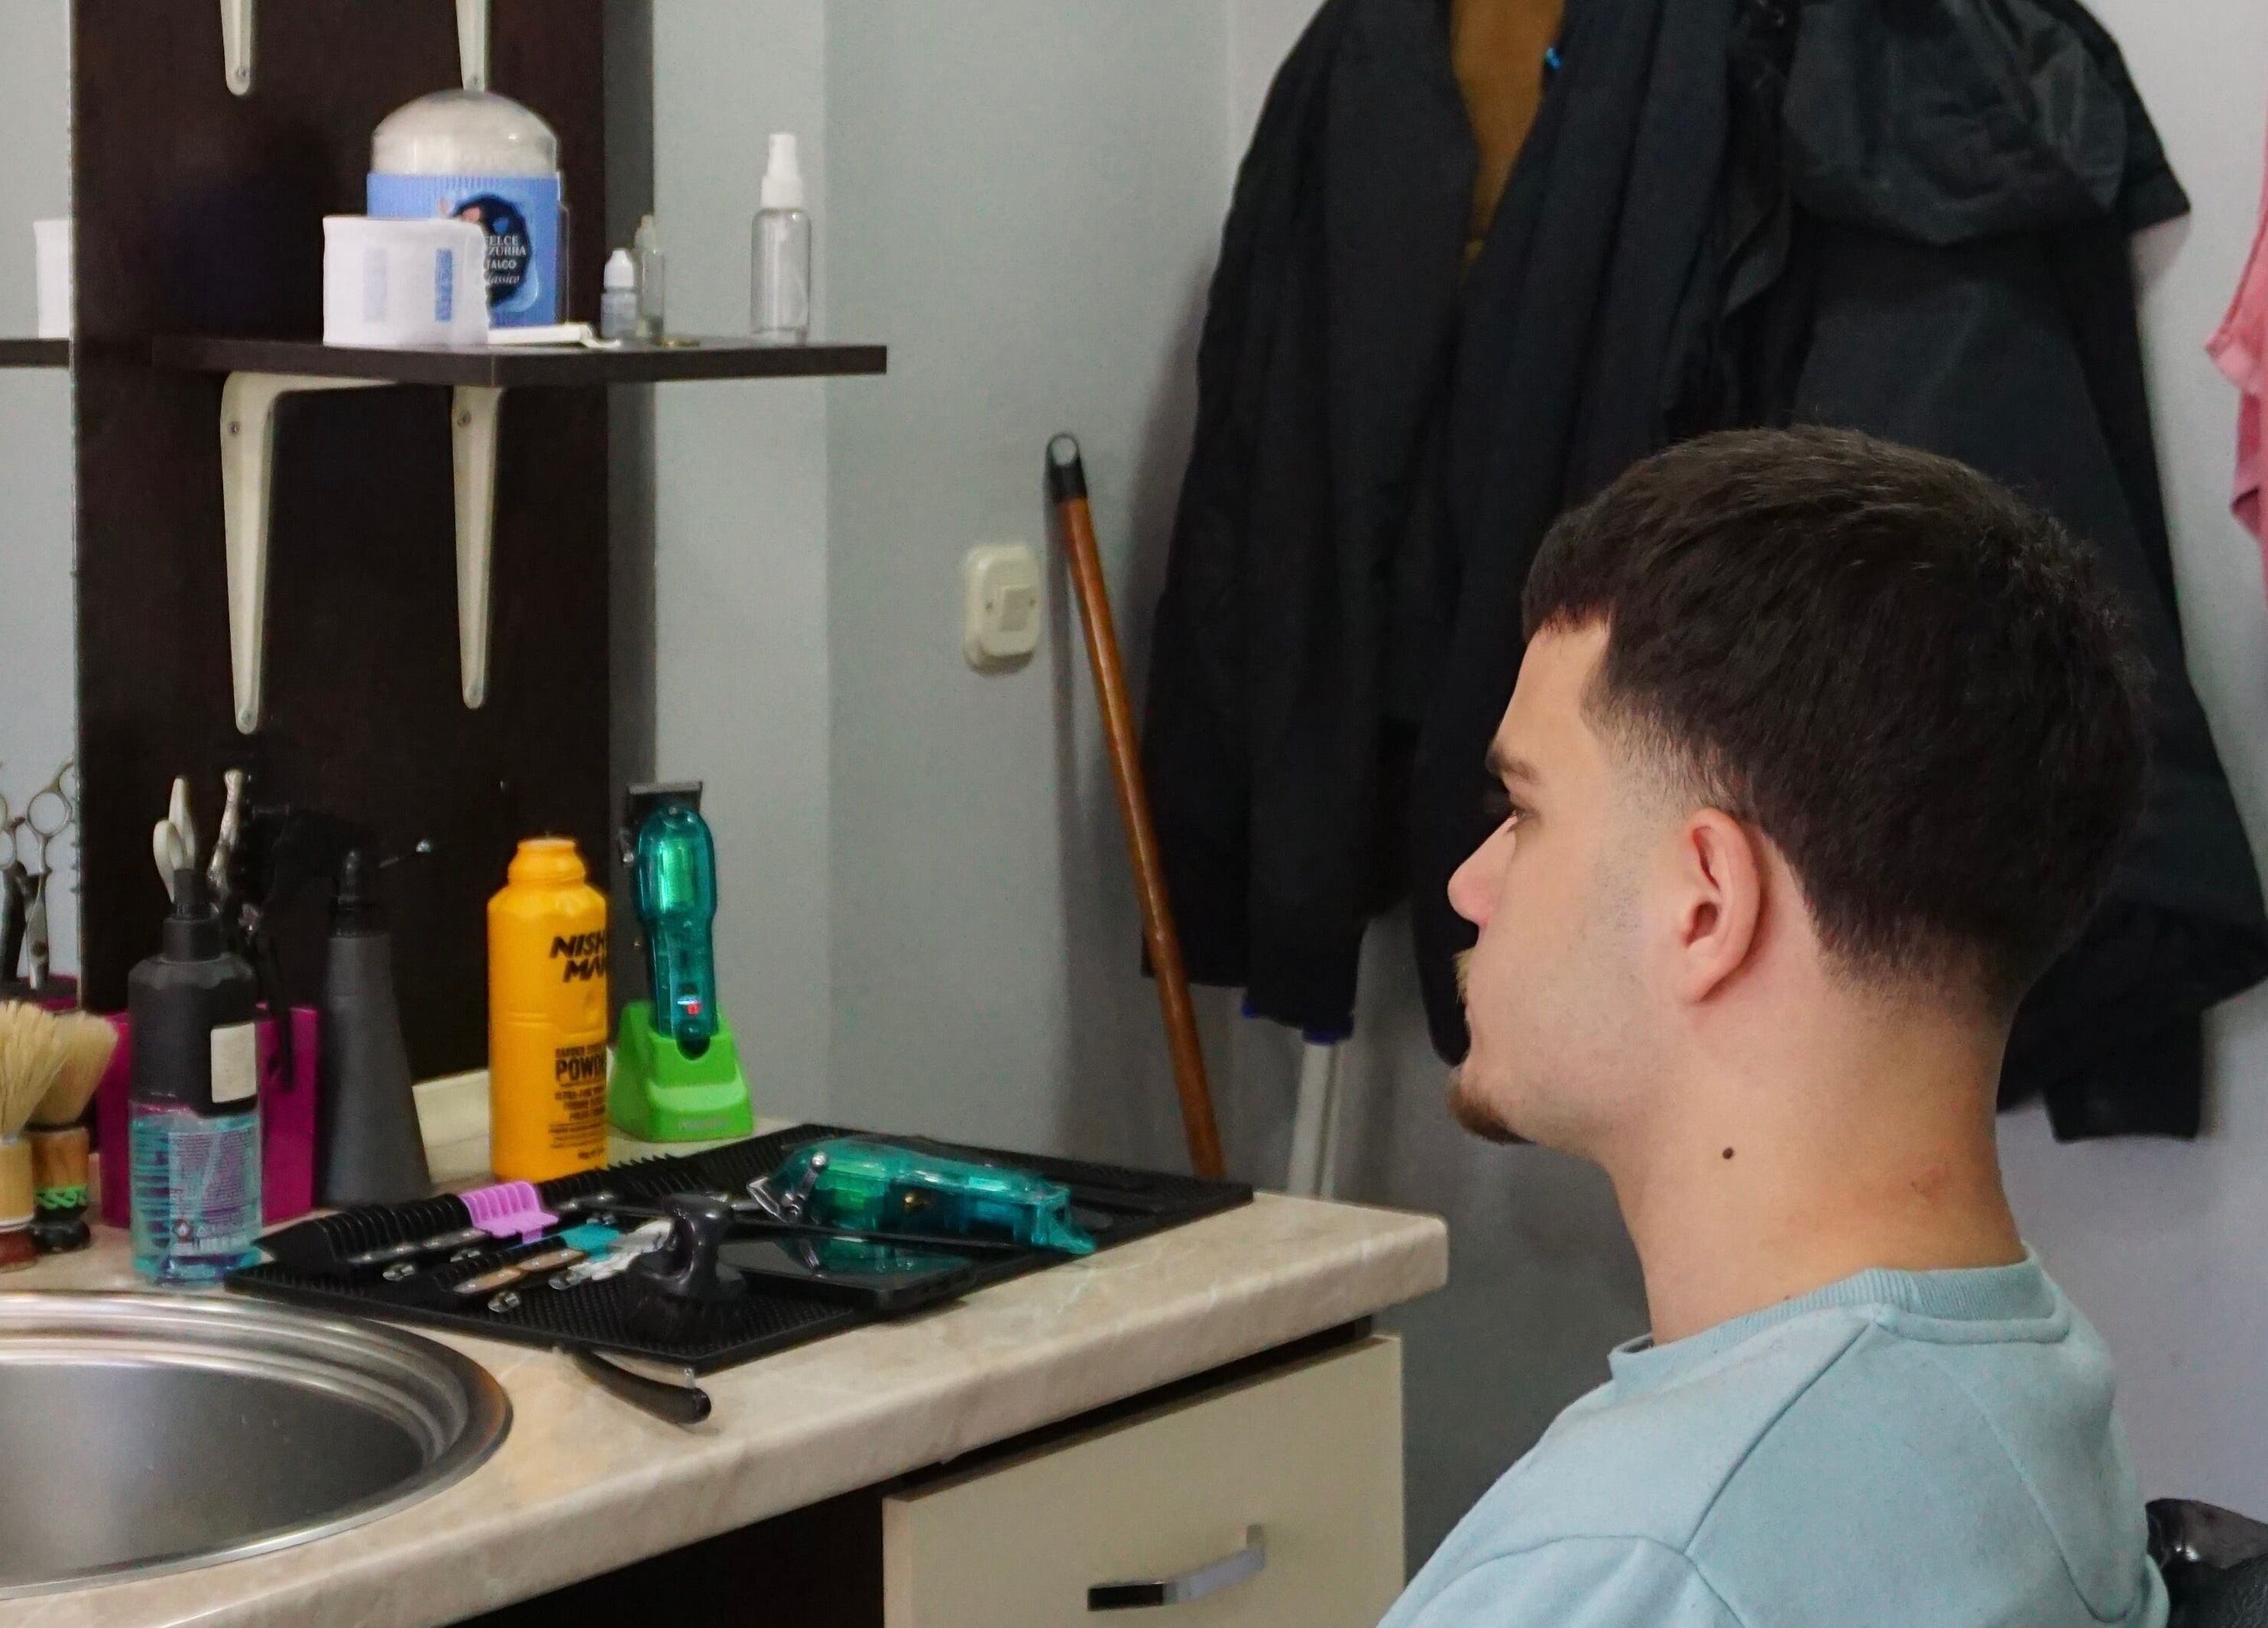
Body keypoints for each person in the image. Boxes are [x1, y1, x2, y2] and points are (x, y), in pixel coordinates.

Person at [1384, 428, 2164, 1628]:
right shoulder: (2039, 1386)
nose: (1470, 883)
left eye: (1523, 810)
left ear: (1705, 905)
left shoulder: (1645, 1566)